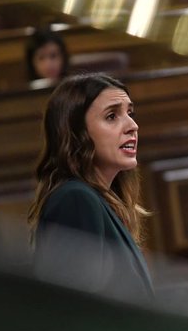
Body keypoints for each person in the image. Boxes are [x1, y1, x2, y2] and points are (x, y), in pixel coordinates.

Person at [28, 73, 153, 303]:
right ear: (77, 134)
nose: (132, 126)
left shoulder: (96, 199)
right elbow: (78, 314)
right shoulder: (75, 200)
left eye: (130, 113)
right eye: (112, 116)